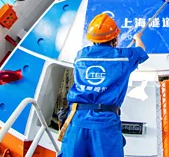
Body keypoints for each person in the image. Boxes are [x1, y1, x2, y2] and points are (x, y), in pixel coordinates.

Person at [59, 13, 149, 157]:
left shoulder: (80, 55)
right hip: (105, 123)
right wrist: (137, 38)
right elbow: (141, 51)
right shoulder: (124, 57)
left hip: (77, 119)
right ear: (115, 38)